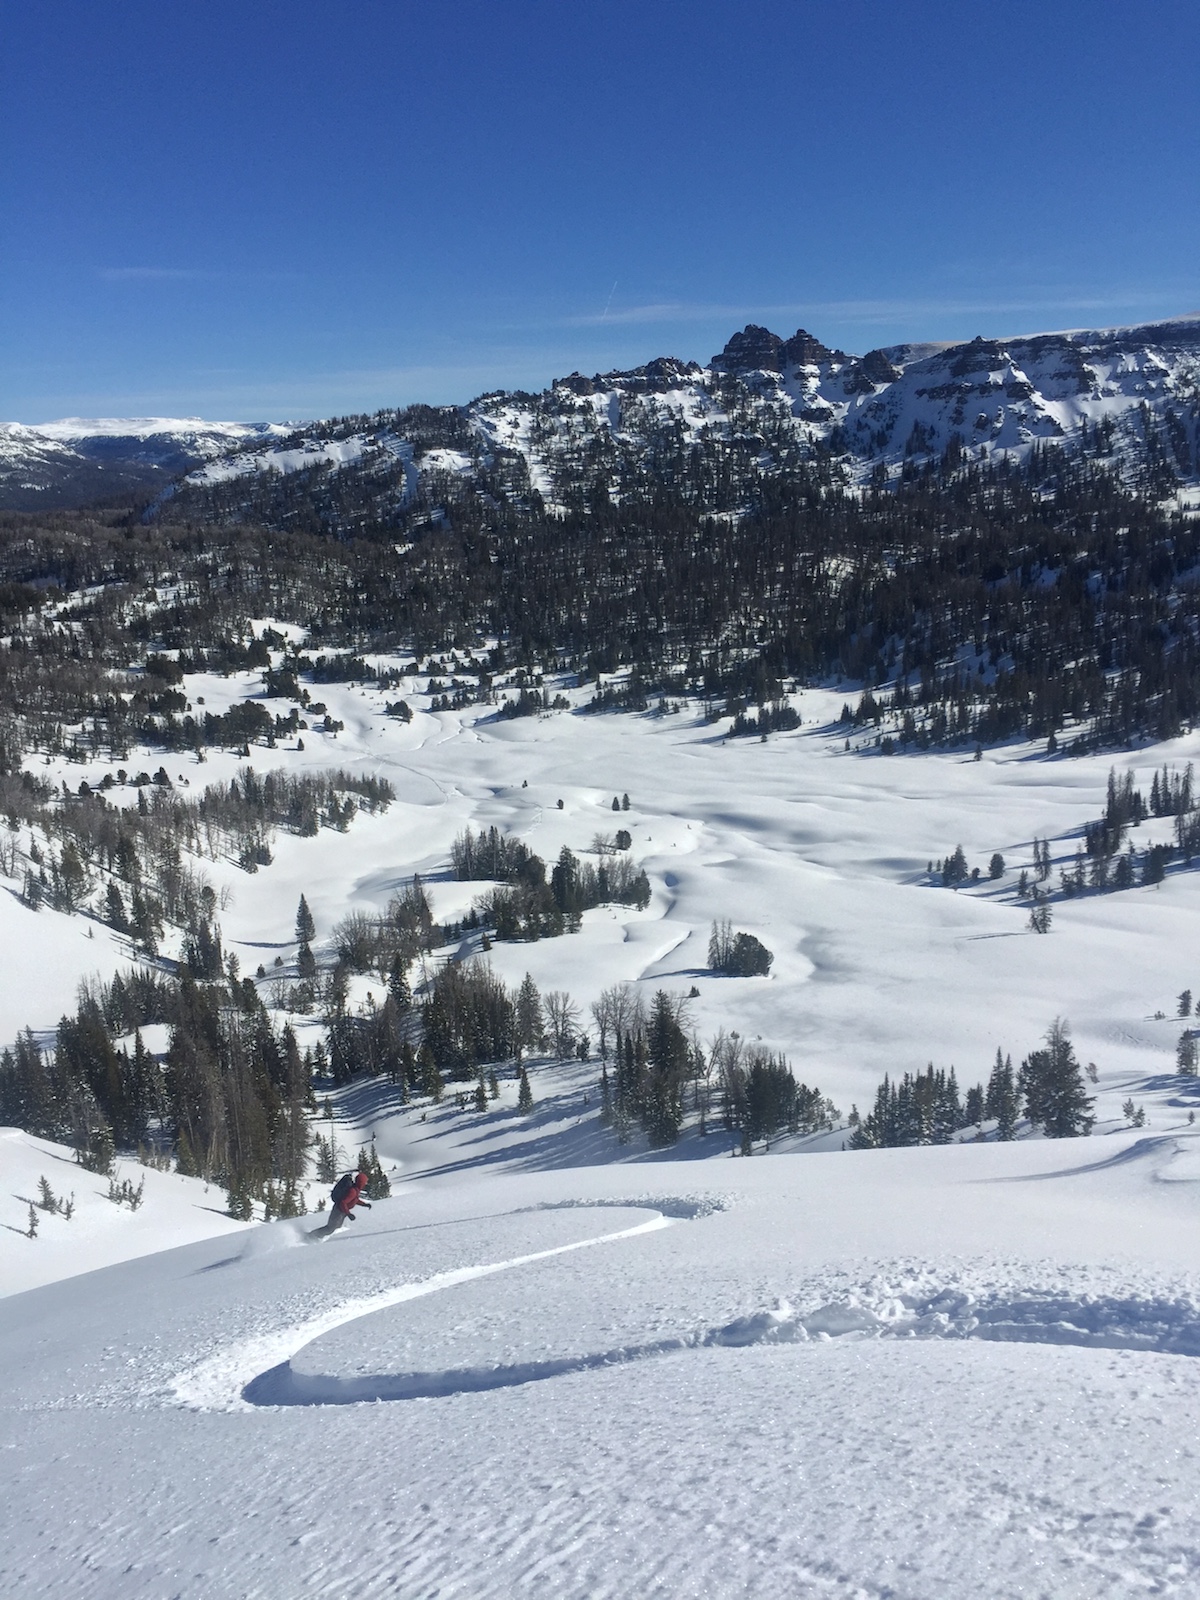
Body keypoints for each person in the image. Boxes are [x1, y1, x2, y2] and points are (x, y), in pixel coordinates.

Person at [313, 1170, 372, 1238]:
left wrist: (364, 1204)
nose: (366, 1184)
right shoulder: (353, 1191)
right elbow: (343, 1202)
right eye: (365, 1182)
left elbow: (354, 1200)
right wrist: (348, 1214)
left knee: (335, 1228)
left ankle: (316, 1237)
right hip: (338, 1211)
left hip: (342, 1211)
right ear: (361, 1183)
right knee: (330, 1229)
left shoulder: (355, 1189)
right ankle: (312, 1236)